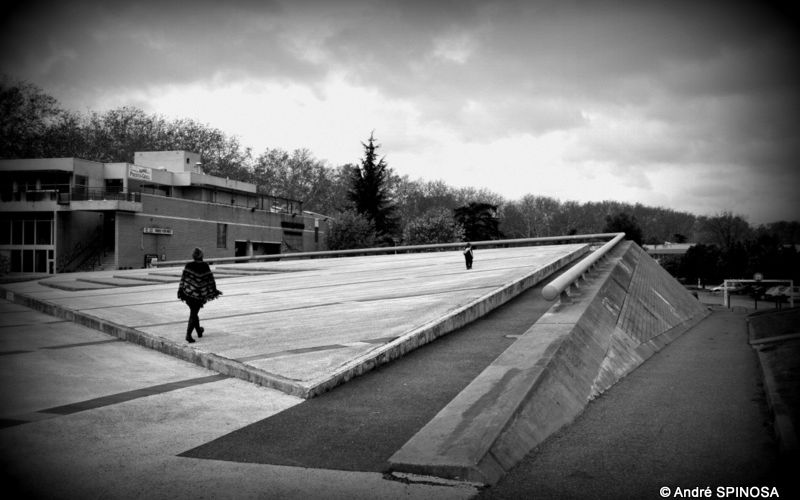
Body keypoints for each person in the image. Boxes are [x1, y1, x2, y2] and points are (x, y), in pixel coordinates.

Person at [177, 247, 222, 343]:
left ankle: (199, 331)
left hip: (188, 294)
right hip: (199, 295)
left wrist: (181, 290)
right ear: (202, 255)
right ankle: (188, 335)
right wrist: (213, 291)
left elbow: (183, 279)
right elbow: (210, 280)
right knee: (193, 314)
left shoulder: (188, 265)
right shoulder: (205, 266)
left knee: (194, 312)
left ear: (193, 255)